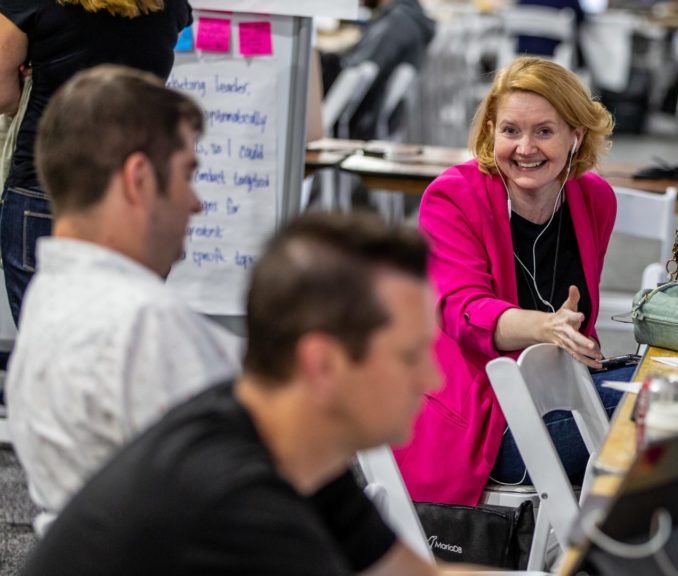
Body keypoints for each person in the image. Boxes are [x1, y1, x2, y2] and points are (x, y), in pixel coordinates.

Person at [20, 212, 442, 576]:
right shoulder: (237, 507)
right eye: (410, 356)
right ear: (322, 364)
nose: (433, 379)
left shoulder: (295, 447)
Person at [6, 65, 239, 534]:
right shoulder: (144, 322)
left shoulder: (49, 297)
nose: (197, 203)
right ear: (138, 179)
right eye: (187, 174)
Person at [395, 57, 619, 505]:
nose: (525, 148)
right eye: (511, 130)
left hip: (557, 396)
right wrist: (545, 326)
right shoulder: (452, 197)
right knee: (660, 408)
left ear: (576, 136)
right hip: (485, 427)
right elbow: (464, 310)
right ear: (491, 132)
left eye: (544, 131)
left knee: (664, 395)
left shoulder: (593, 198)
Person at [0, 0, 191, 323]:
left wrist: (29, 81)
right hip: (134, 191)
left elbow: (2, 94)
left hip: (45, 186)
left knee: (53, 347)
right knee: (126, 344)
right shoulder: (169, 5)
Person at [322, 0, 435, 140]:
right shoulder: (411, 20)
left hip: (360, 124)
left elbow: (356, 72)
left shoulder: (396, 22)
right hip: (375, 126)